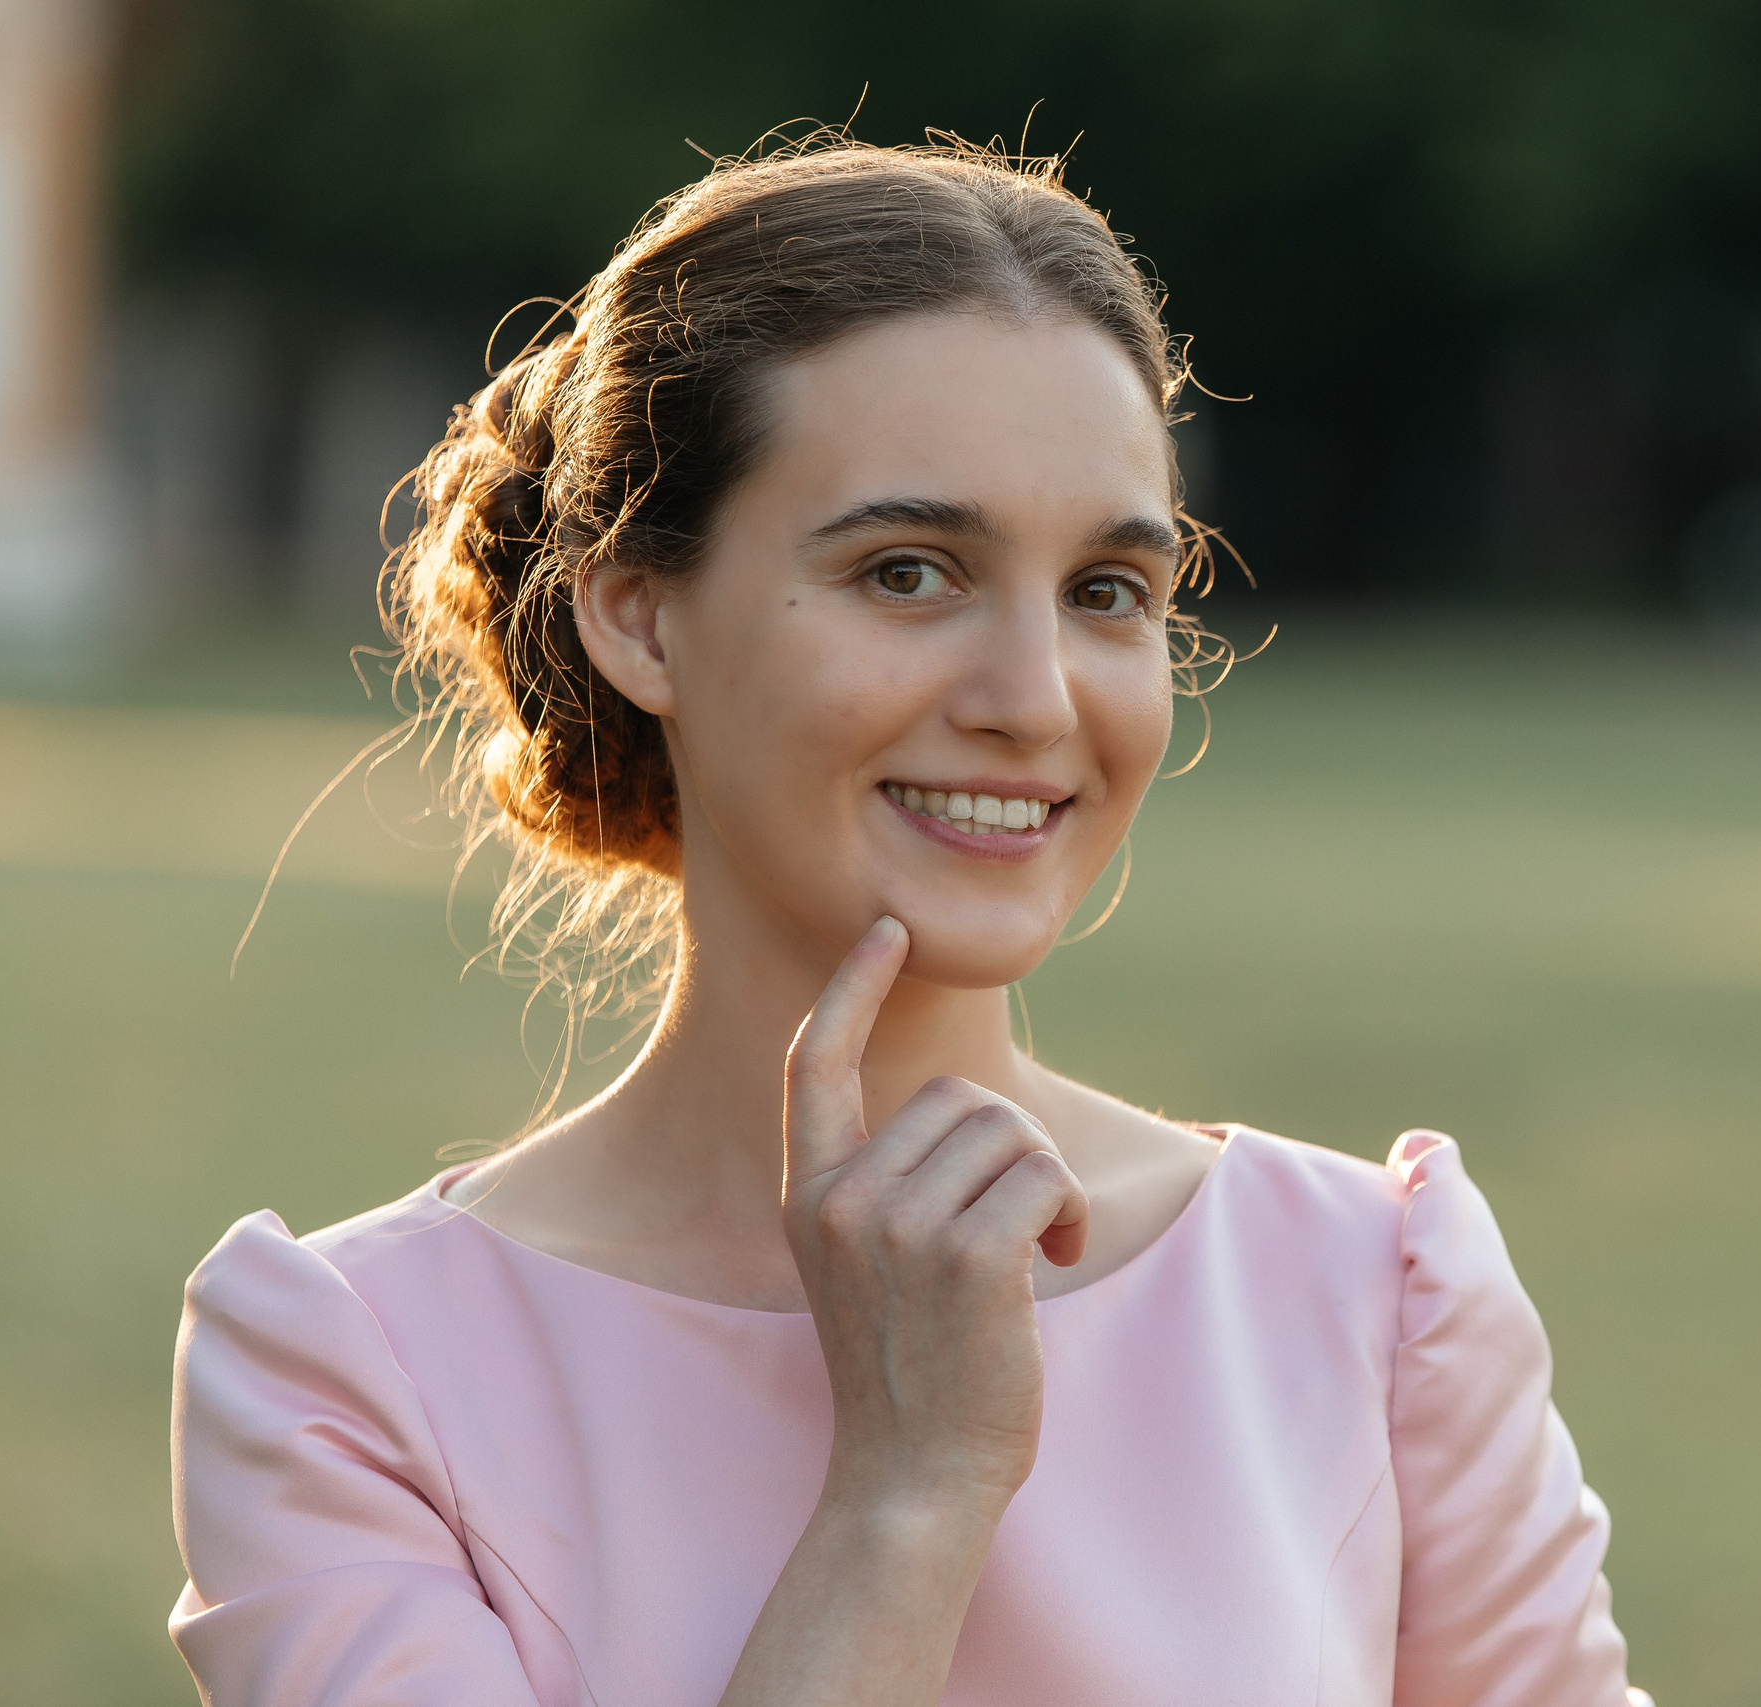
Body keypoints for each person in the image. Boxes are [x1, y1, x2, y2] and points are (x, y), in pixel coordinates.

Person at [168, 134, 1646, 1706]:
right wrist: (907, 1496)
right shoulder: (348, 1376)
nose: (1032, 702)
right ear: (637, 612)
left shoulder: (1376, 1294)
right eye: (907, 572)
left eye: (1106, 592)